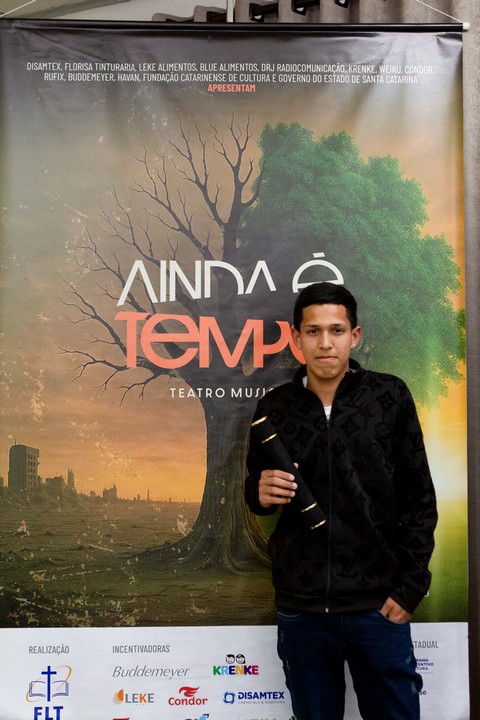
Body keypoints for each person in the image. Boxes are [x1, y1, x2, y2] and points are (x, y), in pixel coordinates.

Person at [245, 282, 437, 720]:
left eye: (337, 330)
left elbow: (419, 497)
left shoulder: (390, 396)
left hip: (379, 606)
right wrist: (258, 491)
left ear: (355, 335)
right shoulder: (274, 406)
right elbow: (256, 492)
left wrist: (411, 587)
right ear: (296, 339)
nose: (325, 343)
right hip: (303, 609)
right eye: (313, 331)